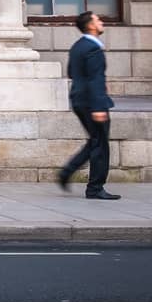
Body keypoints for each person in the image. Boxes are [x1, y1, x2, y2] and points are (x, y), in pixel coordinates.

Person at [58, 11, 118, 200]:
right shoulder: (92, 48)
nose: (101, 22)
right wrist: (99, 107)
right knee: (100, 145)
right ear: (91, 25)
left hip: (79, 99)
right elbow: (95, 79)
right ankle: (95, 188)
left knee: (95, 141)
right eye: (97, 19)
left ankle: (67, 172)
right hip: (92, 103)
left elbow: (71, 73)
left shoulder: (78, 46)